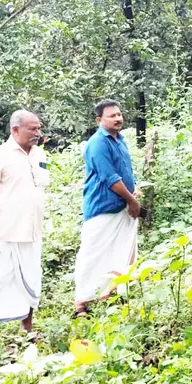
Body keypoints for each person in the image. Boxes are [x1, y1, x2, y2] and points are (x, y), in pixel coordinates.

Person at [0, 110, 49, 349]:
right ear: (15, 130)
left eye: (38, 128)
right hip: (3, 233)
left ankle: (27, 327)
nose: (37, 133)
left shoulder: (39, 154)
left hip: (32, 231)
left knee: (31, 277)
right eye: (32, 129)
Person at [73, 100, 140, 316]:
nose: (118, 119)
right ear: (99, 120)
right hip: (102, 207)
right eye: (112, 116)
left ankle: (112, 294)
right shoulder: (97, 143)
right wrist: (132, 200)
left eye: (119, 114)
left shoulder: (120, 140)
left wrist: (134, 190)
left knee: (120, 252)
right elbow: (109, 177)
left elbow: (125, 170)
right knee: (92, 254)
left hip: (121, 207)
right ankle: (81, 302)